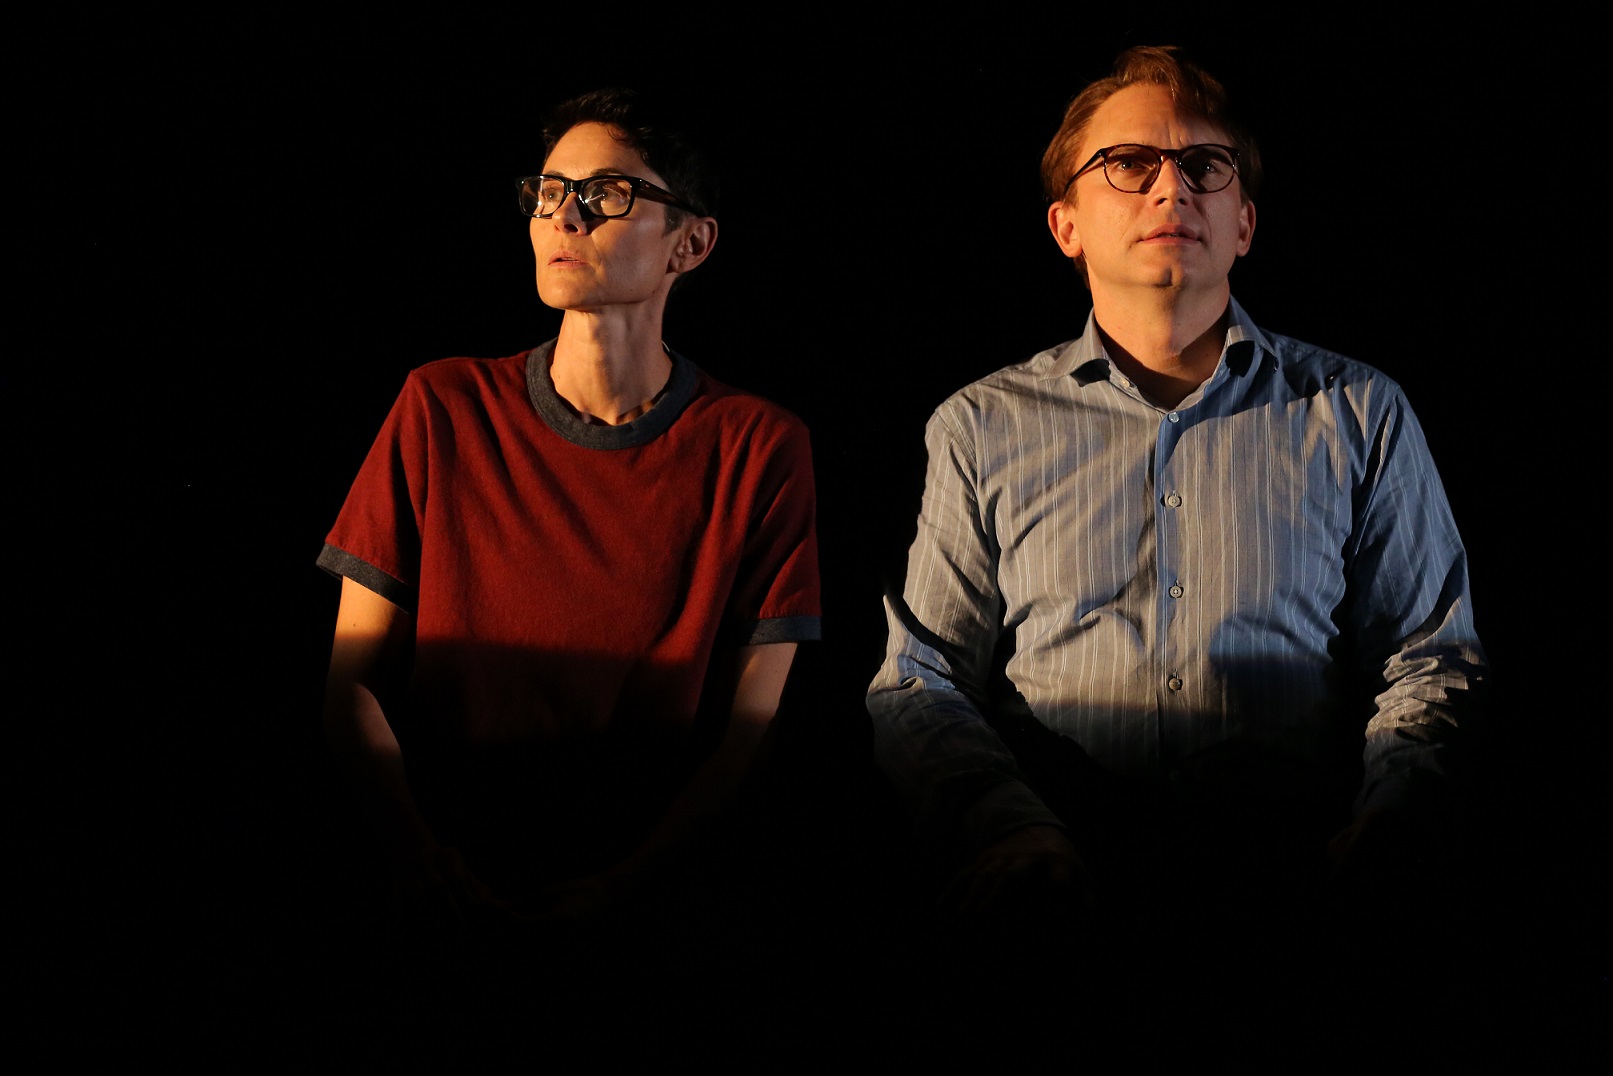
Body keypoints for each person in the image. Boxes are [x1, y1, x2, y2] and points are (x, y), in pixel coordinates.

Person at [865, 45, 1487, 1059]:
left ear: (1242, 221)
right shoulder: (978, 425)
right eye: (1129, 163)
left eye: (1206, 166)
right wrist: (1005, 821)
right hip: (1051, 890)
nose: (1172, 186)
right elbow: (917, 675)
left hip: (1295, 894)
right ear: (1063, 222)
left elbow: (1431, 653)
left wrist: (1393, 814)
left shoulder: (1358, 412)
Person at [316, 88, 821, 1030]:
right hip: (439, 875)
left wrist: (623, 890)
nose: (564, 214)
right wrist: (425, 865)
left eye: (609, 192)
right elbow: (350, 686)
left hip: (649, 901)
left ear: (691, 244)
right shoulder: (441, 406)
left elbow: (747, 736)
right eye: (548, 192)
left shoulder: (759, 445)